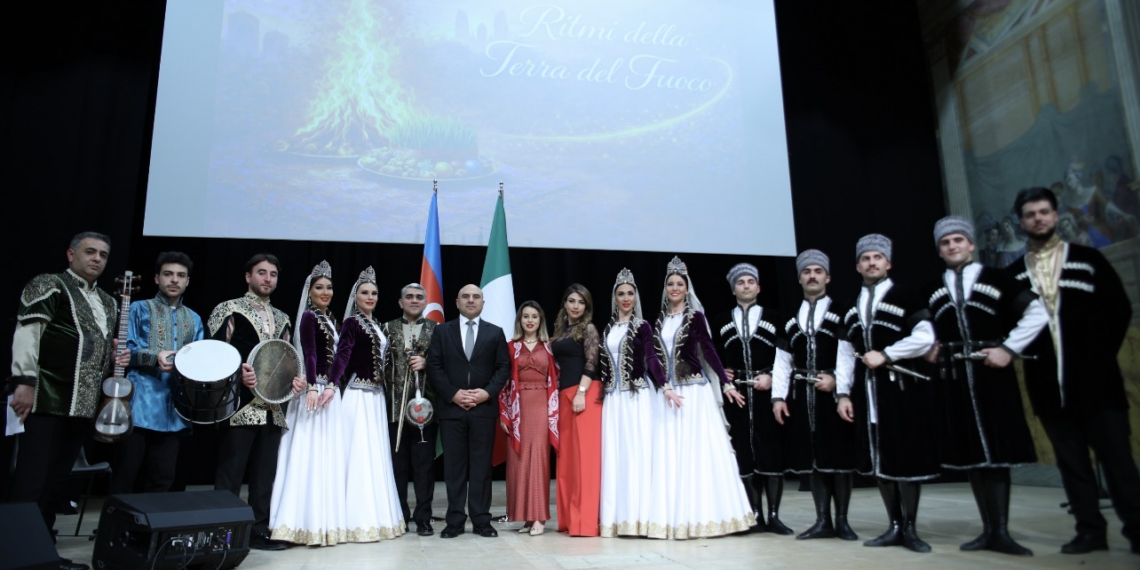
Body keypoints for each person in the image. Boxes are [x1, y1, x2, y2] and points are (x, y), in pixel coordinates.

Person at [1010, 188, 1140, 555]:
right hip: (1047, 385)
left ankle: (1136, 527)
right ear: (1022, 222)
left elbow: (1119, 310)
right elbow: (1009, 326)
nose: (1038, 218)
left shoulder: (1087, 259)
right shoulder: (1014, 274)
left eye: (1044, 212)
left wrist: (1096, 357)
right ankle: (1089, 531)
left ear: (1055, 215)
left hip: (1098, 384)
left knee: (1118, 460)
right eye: (1031, 214)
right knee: (1073, 464)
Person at [925, 216, 1047, 556]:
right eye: (946, 243)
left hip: (991, 372)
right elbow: (924, 330)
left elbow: (1037, 313)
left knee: (997, 449)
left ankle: (1002, 531)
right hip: (954, 377)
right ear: (939, 250)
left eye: (958, 240)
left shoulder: (998, 278)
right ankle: (987, 529)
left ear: (971, 244)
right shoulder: (933, 288)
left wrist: (1009, 348)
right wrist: (930, 345)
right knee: (973, 455)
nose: (952, 246)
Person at [7, 232, 119, 570]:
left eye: (102, 254)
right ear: (71, 254)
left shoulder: (109, 302)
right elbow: (27, 334)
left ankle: (44, 554)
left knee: (55, 484)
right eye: (89, 252)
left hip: (81, 407)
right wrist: (24, 383)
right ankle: (16, 554)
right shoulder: (50, 285)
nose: (96, 259)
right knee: (31, 481)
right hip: (45, 400)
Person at [838, 235, 938, 553]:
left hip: (899, 389)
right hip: (867, 392)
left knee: (903, 457)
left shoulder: (905, 296)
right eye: (866, 258)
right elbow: (844, 353)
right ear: (858, 266)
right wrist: (842, 394)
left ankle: (910, 527)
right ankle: (893, 524)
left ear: (888, 263)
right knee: (879, 460)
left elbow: (925, 336)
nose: (872, 262)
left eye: (877, 257)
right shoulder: (852, 306)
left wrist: (888, 354)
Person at [649, 256, 755, 539]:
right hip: (668, 395)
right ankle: (674, 518)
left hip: (694, 392)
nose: (674, 288)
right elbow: (653, 359)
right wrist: (662, 385)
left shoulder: (695, 317)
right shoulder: (658, 321)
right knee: (672, 455)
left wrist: (726, 383)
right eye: (670, 284)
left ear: (687, 288)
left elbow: (708, 351)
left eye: (679, 284)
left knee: (697, 454)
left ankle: (707, 516)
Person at [208, 252, 305, 551]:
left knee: (265, 475)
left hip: (273, 407)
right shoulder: (229, 309)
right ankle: (220, 532)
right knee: (231, 472)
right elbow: (213, 354)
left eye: (273, 274)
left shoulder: (283, 318)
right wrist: (238, 373)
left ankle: (258, 531)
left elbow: (287, 361)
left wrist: (296, 381)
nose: (267, 279)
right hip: (238, 405)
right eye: (261, 273)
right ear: (248, 277)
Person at [771, 250, 859, 541]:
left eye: (818, 271)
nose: (812, 275)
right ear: (799, 278)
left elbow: (849, 354)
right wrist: (778, 398)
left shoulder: (841, 312)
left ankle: (842, 521)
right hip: (802, 396)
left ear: (828, 277)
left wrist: (838, 382)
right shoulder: (791, 319)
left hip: (833, 394)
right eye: (806, 271)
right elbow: (782, 362)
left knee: (839, 457)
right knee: (814, 459)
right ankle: (822, 520)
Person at [112, 252, 205, 495]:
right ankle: (117, 532)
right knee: (126, 472)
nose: (174, 280)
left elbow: (198, 361)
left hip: (173, 409)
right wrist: (154, 357)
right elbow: (124, 351)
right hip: (137, 403)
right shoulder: (138, 309)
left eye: (180, 275)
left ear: (187, 281)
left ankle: (149, 533)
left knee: (163, 478)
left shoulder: (193, 319)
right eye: (168, 274)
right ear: (157, 278)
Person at [269, 261, 348, 546]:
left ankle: (323, 522)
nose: (325, 292)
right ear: (309, 290)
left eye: (329, 287)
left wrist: (332, 386)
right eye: (319, 287)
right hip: (313, 393)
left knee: (326, 458)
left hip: (329, 394)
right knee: (306, 456)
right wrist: (313, 385)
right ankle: (295, 523)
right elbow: (311, 353)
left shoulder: (331, 319)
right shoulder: (308, 317)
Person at [713, 263, 793, 535]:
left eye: (750, 281)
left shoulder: (777, 318)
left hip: (767, 392)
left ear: (758, 287)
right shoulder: (721, 320)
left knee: (771, 449)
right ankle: (754, 513)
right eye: (740, 282)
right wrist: (721, 372)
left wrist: (771, 376)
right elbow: (713, 356)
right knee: (744, 452)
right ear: (733, 289)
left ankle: (774, 515)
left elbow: (787, 357)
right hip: (737, 395)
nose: (746, 286)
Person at [425, 284, 510, 539]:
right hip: (452, 409)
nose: (471, 300)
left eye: (476, 297)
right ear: (457, 302)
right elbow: (434, 366)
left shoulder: (495, 333)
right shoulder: (442, 332)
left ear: (483, 303)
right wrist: (453, 393)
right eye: (466, 296)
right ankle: (455, 521)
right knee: (454, 468)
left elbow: (503, 368)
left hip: (483, 409)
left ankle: (482, 520)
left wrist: (486, 393)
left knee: (482, 468)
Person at [327, 267, 405, 542]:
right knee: (358, 455)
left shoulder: (377, 325)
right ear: (355, 295)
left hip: (375, 398)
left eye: (374, 293)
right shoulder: (351, 323)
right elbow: (342, 357)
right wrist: (331, 385)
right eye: (364, 292)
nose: (370, 297)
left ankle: (377, 517)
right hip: (358, 397)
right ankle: (354, 521)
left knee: (375, 456)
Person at [598, 269, 667, 538]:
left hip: (635, 397)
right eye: (621, 294)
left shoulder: (642, 326)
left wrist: (665, 386)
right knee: (615, 456)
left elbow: (652, 358)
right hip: (613, 401)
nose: (626, 298)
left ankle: (639, 518)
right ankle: (617, 519)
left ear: (635, 296)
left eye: (630, 293)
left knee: (636, 454)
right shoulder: (607, 328)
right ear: (614, 297)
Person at [382, 283, 439, 537]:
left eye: (419, 297)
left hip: (424, 411)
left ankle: (424, 517)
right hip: (393, 408)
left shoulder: (437, 330)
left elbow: (446, 364)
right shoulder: (386, 328)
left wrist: (428, 363)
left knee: (424, 466)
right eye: (409, 297)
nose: (414, 300)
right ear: (400, 302)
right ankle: (400, 515)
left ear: (426, 302)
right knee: (398, 464)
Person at [498, 301, 559, 536]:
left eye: (534, 316)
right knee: (518, 462)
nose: (530, 320)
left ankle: (540, 517)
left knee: (539, 461)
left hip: (542, 407)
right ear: (520, 320)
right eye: (526, 317)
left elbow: (558, 379)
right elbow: (503, 383)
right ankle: (525, 517)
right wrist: (504, 414)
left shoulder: (550, 347)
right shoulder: (510, 347)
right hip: (517, 408)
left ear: (541, 320)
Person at [551, 284, 602, 537]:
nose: (575, 306)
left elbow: (592, 363)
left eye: (581, 302)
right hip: (564, 397)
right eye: (571, 301)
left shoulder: (589, 329)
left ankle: (585, 523)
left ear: (586, 306)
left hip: (584, 393)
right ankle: (570, 520)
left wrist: (581, 393)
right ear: (565, 304)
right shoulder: (561, 331)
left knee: (585, 461)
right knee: (568, 460)